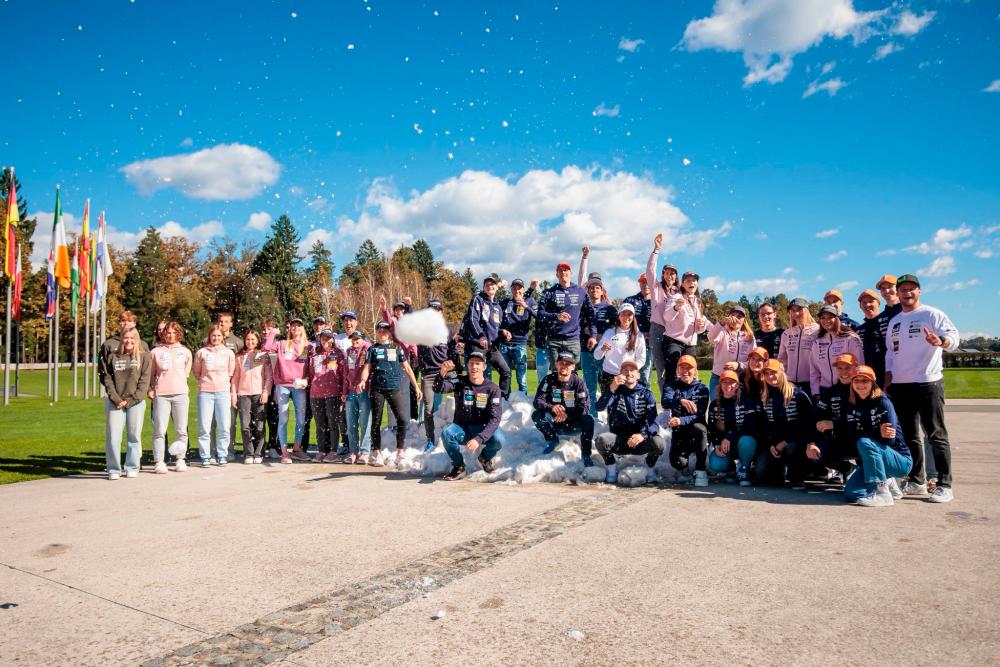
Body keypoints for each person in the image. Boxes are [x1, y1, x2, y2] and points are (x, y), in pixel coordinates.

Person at [885, 274, 959, 503]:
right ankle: (917, 481)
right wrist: (888, 378)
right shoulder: (895, 321)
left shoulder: (932, 314)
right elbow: (891, 353)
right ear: (898, 293)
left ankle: (944, 485)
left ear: (919, 291)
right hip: (900, 385)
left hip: (928, 382)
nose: (907, 293)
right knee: (910, 435)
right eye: (903, 289)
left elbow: (954, 337)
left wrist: (941, 342)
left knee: (935, 434)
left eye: (912, 289)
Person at [843, 365, 912, 506]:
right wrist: (877, 432)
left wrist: (867, 436)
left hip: (900, 461)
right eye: (856, 381)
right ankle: (888, 481)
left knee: (864, 442)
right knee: (852, 493)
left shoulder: (883, 402)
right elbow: (851, 437)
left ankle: (883, 493)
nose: (860, 384)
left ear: (873, 382)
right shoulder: (852, 404)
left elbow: (890, 440)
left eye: (865, 380)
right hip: (874, 458)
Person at [359, 321, 422, 466]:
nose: (382, 333)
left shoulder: (397, 348)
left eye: (385, 331)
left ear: (389, 333)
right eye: (380, 331)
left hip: (394, 388)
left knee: (402, 419)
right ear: (376, 332)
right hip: (377, 389)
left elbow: (407, 368)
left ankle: (400, 452)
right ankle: (377, 453)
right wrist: (363, 381)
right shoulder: (372, 349)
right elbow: (367, 368)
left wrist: (416, 387)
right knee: (376, 421)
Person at [434, 352, 505, 480]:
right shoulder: (460, 381)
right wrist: (442, 373)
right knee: (447, 433)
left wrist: (479, 439)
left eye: (478, 364)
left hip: (482, 428)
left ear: (484, 367)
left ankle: (484, 458)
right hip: (462, 428)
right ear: (467, 366)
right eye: (471, 363)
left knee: (499, 439)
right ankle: (458, 466)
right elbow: (438, 388)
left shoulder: (492, 389)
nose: (474, 367)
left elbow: (495, 418)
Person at [594, 358, 664, 484]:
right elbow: (599, 407)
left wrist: (643, 435)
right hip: (619, 440)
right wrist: (611, 388)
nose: (629, 373)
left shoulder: (647, 394)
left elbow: (654, 424)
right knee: (601, 440)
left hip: (640, 441)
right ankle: (611, 467)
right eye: (625, 370)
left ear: (638, 375)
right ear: (620, 374)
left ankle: (649, 466)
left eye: (632, 370)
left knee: (659, 443)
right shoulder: (615, 391)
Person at [756, 359, 815, 488]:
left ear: (782, 372)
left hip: (795, 442)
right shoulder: (763, 397)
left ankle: (798, 474)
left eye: (774, 372)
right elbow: (763, 426)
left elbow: (808, 423)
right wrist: (770, 444)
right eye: (766, 373)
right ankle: (780, 471)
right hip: (774, 444)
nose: (770, 376)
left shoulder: (798, 394)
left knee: (791, 448)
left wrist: (787, 441)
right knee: (761, 475)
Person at [101, 328, 152, 480]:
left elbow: (144, 382)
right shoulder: (113, 356)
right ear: (121, 339)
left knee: (134, 436)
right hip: (115, 402)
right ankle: (113, 469)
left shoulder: (144, 357)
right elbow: (107, 379)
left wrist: (130, 401)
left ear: (137, 340)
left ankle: (132, 466)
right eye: (126, 338)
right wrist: (117, 399)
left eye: (132, 338)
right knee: (113, 437)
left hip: (135, 402)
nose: (129, 341)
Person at [263, 317, 312, 464]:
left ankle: (296, 449)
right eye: (293, 325)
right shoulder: (282, 344)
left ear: (303, 328)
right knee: (283, 419)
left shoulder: (308, 346)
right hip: (283, 385)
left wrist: (306, 380)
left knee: (301, 420)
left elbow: (311, 367)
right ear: (290, 328)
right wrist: (273, 332)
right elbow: (267, 347)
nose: (296, 328)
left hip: (299, 386)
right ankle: (284, 453)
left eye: (299, 325)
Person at [531, 351, 595, 463]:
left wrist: (567, 415)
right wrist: (551, 408)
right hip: (554, 422)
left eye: (568, 364)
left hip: (573, 424)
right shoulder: (548, 380)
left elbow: (585, 405)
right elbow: (537, 401)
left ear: (573, 367)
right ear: (556, 364)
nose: (564, 366)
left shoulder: (578, 382)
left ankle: (586, 454)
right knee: (536, 415)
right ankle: (552, 440)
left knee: (588, 419)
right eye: (561, 363)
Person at [148, 321, 192, 472]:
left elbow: (186, 374)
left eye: (174, 333)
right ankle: (159, 461)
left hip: (181, 394)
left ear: (179, 334)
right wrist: (150, 388)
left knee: (181, 429)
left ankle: (180, 459)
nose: (171, 336)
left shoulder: (186, 352)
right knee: (160, 430)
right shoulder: (155, 352)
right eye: (168, 332)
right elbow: (151, 374)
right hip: (161, 394)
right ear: (163, 334)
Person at [662, 355, 711, 487]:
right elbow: (665, 402)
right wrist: (680, 400)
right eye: (682, 367)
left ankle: (700, 470)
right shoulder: (671, 386)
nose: (685, 371)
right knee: (678, 463)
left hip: (696, 431)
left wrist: (680, 420)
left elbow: (699, 415)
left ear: (695, 370)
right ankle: (687, 463)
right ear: (677, 370)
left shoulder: (702, 388)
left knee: (700, 428)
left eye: (689, 368)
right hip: (679, 433)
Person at [809, 353, 858, 485]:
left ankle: (869, 473)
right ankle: (847, 469)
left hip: (861, 440)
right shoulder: (831, 392)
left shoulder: (862, 389)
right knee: (816, 454)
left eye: (847, 368)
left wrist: (835, 424)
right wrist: (811, 443)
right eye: (840, 368)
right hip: (839, 440)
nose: (843, 372)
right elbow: (816, 416)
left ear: (856, 367)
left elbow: (863, 420)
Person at [706, 369, 761, 486]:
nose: (728, 385)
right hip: (725, 445)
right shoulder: (714, 405)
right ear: (720, 385)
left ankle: (745, 469)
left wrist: (729, 437)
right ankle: (730, 468)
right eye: (724, 382)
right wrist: (717, 444)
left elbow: (750, 427)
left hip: (743, 442)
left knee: (746, 440)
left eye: (731, 382)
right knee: (715, 464)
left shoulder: (746, 402)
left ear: (737, 385)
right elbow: (711, 429)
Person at [459, 276, 511, 398]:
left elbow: (494, 328)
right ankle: (471, 401)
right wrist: (481, 336)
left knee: (506, 371)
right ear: (483, 287)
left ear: (496, 287)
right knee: (476, 374)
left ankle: (501, 399)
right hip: (477, 345)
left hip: (491, 347)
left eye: (492, 284)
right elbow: (473, 320)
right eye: (487, 284)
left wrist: (503, 332)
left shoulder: (498, 306)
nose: (490, 286)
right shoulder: (478, 299)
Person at [417, 300, 459, 452]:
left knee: (461, 395)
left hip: (446, 371)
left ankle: (459, 430)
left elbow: (453, 351)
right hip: (429, 375)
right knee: (428, 409)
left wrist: (456, 367)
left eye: (437, 310)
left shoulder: (448, 330)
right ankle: (430, 439)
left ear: (441, 312)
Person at [193, 326, 237, 467]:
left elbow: (231, 372)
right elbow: (196, 371)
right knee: (205, 426)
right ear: (209, 337)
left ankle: (222, 454)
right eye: (213, 335)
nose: (216, 338)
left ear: (223, 337)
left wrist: (223, 383)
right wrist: (203, 382)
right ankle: (205, 456)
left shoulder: (228, 353)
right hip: (205, 392)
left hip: (223, 392)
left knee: (224, 425)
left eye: (218, 336)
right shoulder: (202, 353)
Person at [537, 250, 589, 365]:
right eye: (560, 270)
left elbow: (590, 313)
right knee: (556, 371)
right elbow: (540, 314)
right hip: (554, 340)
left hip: (573, 339)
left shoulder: (580, 291)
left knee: (572, 371)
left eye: (566, 270)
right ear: (557, 274)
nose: (563, 272)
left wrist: (592, 333)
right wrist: (556, 316)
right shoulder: (549, 292)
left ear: (571, 273)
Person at [231, 330, 272, 465]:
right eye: (248, 339)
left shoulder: (263, 355)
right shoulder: (239, 357)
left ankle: (258, 452)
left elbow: (268, 377)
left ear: (258, 340)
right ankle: (248, 453)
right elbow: (235, 379)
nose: (250, 342)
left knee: (259, 425)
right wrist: (234, 395)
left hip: (259, 394)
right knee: (245, 425)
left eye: (253, 339)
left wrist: (265, 392)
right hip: (243, 395)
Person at [580, 272, 618, 417]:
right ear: (587, 290)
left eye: (597, 288)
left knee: (606, 388)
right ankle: (592, 417)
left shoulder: (609, 309)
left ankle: (610, 417)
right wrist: (587, 331)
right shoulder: (582, 308)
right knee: (589, 387)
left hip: (605, 354)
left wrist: (600, 336)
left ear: (602, 291)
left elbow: (617, 329)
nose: (594, 290)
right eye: (591, 288)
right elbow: (577, 326)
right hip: (586, 352)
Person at [661, 270, 707, 388]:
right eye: (688, 280)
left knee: (691, 376)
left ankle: (690, 398)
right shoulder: (676, 297)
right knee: (672, 375)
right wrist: (676, 307)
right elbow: (667, 317)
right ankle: (669, 399)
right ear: (682, 284)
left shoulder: (698, 302)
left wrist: (701, 325)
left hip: (690, 345)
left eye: (694, 280)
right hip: (674, 341)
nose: (691, 283)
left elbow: (699, 330)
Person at [645, 233, 679, 389]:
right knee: (661, 369)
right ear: (663, 274)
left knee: (675, 367)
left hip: (674, 331)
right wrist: (656, 250)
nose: (669, 275)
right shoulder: (656, 287)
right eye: (667, 272)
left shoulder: (679, 292)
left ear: (676, 276)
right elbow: (650, 270)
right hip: (657, 329)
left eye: (672, 273)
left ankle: (676, 397)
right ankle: (665, 400)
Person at [307, 329, 345, 463]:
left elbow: (343, 374)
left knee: (333, 423)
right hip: (316, 393)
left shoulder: (338, 354)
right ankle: (321, 450)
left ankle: (333, 451)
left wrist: (343, 392)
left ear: (333, 339)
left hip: (333, 393)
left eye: (328, 338)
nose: (326, 341)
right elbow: (310, 373)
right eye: (323, 338)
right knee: (320, 424)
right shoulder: (314, 354)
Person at [593, 303, 647, 399]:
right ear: (619, 316)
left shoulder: (638, 335)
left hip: (628, 377)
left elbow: (641, 359)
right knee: (608, 405)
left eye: (629, 314)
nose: (626, 317)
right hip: (609, 376)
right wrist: (603, 349)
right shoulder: (609, 332)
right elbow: (597, 356)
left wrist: (630, 371)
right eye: (623, 314)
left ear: (633, 317)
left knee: (627, 405)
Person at [809, 305, 864, 399]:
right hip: (824, 391)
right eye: (823, 318)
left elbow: (859, 366)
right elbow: (814, 371)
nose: (826, 321)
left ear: (837, 319)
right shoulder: (817, 342)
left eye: (830, 317)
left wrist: (857, 389)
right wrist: (816, 392)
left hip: (847, 389)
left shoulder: (850, 338)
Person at [706, 306, 756, 399]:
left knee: (736, 407)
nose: (736, 319)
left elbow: (753, 361)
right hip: (719, 378)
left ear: (744, 320)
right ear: (728, 317)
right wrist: (721, 322)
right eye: (733, 315)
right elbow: (711, 337)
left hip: (739, 379)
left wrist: (739, 365)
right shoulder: (722, 331)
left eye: (739, 316)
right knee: (716, 406)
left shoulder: (750, 337)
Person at [498, 278, 537, 394]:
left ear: (523, 290)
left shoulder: (530, 301)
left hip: (520, 345)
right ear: (511, 290)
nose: (517, 291)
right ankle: (505, 400)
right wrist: (498, 287)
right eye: (514, 288)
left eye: (519, 288)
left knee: (522, 379)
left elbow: (538, 315)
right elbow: (491, 306)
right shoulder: (506, 302)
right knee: (505, 376)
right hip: (504, 344)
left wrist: (526, 306)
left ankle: (523, 401)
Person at [341, 330, 372, 464]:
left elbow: (371, 371)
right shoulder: (349, 351)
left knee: (365, 422)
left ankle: (365, 451)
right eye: (353, 339)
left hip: (364, 392)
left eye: (357, 339)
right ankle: (353, 451)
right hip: (350, 392)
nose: (355, 341)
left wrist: (369, 389)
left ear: (363, 339)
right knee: (351, 423)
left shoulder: (369, 349)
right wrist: (344, 391)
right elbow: (345, 373)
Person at [333, 311, 361, 455]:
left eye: (351, 320)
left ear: (356, 322)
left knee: (361, 415)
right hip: (341, 381)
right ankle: (346, 443)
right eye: (346, 321)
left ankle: (362, 445)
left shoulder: (362, 338)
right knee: (343, 415)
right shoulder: (337, 338)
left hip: (358, 383)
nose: (348, 323)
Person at [778, 297, 818, 393]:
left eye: (799, 309)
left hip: (812, 383)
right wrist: (783, 380)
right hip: (790, 384)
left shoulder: (817, 330)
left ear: (806, 310)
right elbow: (782, 360)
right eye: (793, 310)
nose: (796, 313)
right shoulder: (787, 333)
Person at [855, 289, 891, 388]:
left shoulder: (889, 321)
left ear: (878, 303)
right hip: (868, 377)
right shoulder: (859, 330)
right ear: (860, 306)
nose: (867, 305)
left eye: (871, 301)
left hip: (890, 375)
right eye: (864, 302)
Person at [623, 273, 653, 385]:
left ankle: (644, 395)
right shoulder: (630, 300)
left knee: (645, 374)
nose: (646, 285)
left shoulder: (657, 301)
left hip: (649, 343)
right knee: (627, 372)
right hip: (630, 342)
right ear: (639, 283)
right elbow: (622, 320)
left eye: (648, 282)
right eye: (643, 282)